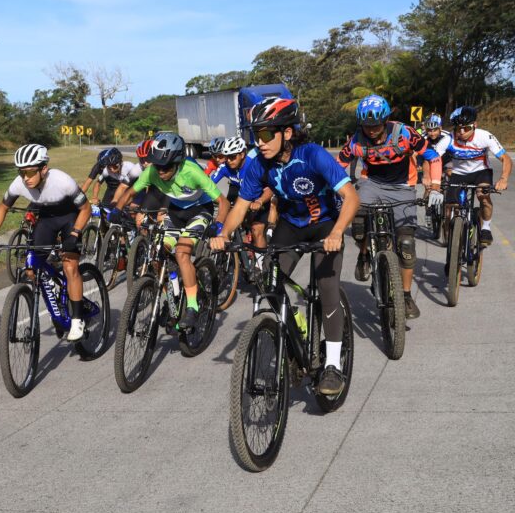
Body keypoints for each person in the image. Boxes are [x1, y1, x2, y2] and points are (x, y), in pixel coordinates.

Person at [211, 97, 359, 396]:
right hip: (291, 226)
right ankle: (295, 328)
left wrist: (338, 232)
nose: (260, 142)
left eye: (267, 134)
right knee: (270, 280)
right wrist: (224, 234)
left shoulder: (313, 155)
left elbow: (351, 197)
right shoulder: (258, 164)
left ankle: (332, 365)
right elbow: (240, 206)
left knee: (327, 288)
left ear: (287, 133)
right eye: (255, 135)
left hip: (325, 224)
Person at [111, 132, 229, 330]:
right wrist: (117, 209)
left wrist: (218, 226)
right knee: (158, 254)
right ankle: (172, 295)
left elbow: (222, 202)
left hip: (199, 211)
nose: (161, 171)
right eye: (157, 166)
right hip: (175, 211)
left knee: (182, 253)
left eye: (165, 167)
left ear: (178, 162)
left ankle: (192, 306)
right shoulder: (153, 172)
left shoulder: (191, 171)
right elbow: (131, 192)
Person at [337, 94, 439, 319]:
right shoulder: (356, 140)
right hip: (372, 184)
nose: (371, 130)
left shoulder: (404, 134)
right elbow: (337, 166)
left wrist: (436, 186)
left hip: (403, 187)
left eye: (375, 125)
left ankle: (405, 296)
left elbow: (432, 155)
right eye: (366, 126)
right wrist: (331, 189)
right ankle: (364, 255)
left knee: (406, 244)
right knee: (359, 220)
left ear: (385, 121)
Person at [0, 144, 91, 341]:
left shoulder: (62, 181)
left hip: (70, 218)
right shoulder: (18, 184)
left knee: (70, 266)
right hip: (47, 219)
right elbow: (3, 207)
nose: (25, 178)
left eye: (30, 172)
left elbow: (85, 209)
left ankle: (77, 319)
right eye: (22, 172)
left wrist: (74, 235)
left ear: (44, 169)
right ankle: (55, 292)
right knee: (31, 268)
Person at [443, 106, 511, 245]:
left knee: (483, 196)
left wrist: (503, 179)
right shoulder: (449, 138)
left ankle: (485, 227)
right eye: (458, 128)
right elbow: (433, 158)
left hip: (481, 172)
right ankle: (454, 243)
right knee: (452, 204)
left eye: (466, 128)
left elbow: (506, 158)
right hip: (459, 173)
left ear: (475, 125)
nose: (461, 132)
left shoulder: (485, 136)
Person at [210, 136, 274, 256]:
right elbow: (209, 184)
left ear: (242, 154)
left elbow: (270, 188)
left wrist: (259, 201)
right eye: (227, 157)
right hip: (242, 195)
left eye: (232, 157)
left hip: (260, 197)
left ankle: (260, 266)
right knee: (225, 217)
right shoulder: (225, 167)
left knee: (256, 229)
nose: (228, 161)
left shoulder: (253, 165)